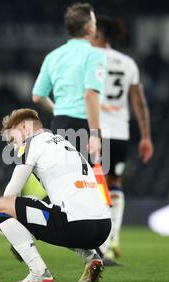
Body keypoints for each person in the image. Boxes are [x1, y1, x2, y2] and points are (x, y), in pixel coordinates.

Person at [0, 108, 111, 282]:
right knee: (57, 211)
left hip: (77, 226)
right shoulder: (65, 143)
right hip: (103, 227)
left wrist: (18, 237)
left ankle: (39, 272)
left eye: (13, 139)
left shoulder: (31, 144)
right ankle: (91, 257)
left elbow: (9, 196)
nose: (14, 147)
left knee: (1, 206)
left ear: (25, 128)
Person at [91, 16, 154, 260]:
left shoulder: (89, 59)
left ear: (98, 36)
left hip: (97, 131)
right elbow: (139, 102)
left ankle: (102, 243)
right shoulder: (127, 63)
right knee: (114, 183)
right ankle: (113, 239)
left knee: (97, 186)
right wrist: (146, 136)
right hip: (120, 133)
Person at [32, 2, 106, 163]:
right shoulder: (95, 55)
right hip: (84, 126)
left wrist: (58, 110)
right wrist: (94, 135)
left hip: (59, 125)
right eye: (94, 22)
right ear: (89, 28)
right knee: (89, 184)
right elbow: (90, 94)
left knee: (62, 183)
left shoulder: (53, 56)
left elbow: (38, 96)